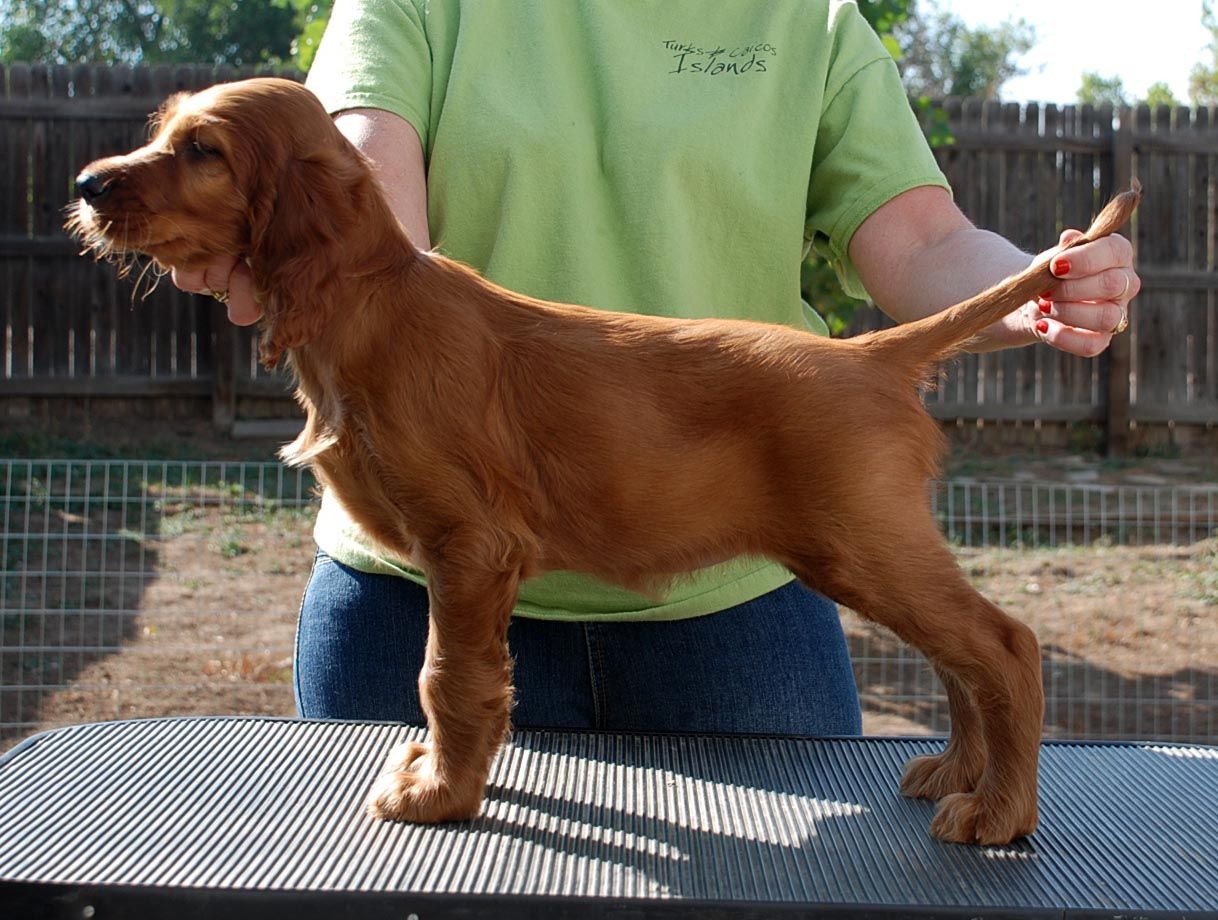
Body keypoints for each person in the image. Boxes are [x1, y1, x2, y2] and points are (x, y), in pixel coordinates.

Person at [171, 0, 1140, 737]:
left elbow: (924, 241)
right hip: (417, 587)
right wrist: (301, 259)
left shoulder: (808, 19)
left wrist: (1033, 289)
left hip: (731, 605)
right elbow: (369, 193)